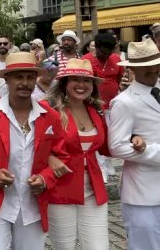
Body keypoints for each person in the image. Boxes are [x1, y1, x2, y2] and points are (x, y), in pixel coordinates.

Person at [0, 52, 69, 250]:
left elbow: (60, 156)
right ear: (6, 79)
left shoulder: (49, 115)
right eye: (19, 76)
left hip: (31, 202)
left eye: (30, 77)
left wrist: (44, 179)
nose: (25, 83)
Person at [45, 59, 140, 250]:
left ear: (92, 85)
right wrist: (50, 158)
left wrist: (134, 137)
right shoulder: (49, 110)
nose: (81, 85)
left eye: (87, 80)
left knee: (99, 246)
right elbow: (33, 144)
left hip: (93, 188)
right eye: (75, 80)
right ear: (65, 83)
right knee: (65, 247)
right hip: (61, 188)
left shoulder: (95, 110)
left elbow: (107, 146)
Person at [108, 39, 160, 249]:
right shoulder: (123, 102)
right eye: (145, 66)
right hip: (142, 192)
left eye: (155, 63)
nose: (153, 69)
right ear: (131, 68)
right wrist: (152, 151)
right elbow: (117, 146)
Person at [83, 32, 124, 107]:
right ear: (96, 47)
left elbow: (120, 81)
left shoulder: (116, 59)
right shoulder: (85, 60)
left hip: (113, 105)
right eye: (103, 52)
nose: (106, 55)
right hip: (92, 105)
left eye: (109, 53)